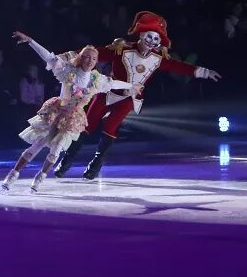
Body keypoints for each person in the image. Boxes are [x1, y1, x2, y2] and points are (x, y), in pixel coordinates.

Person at [54, 12, 220, 180]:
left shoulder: (158, 58)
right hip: (109, 91)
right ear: (141, 35)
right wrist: (66, 57)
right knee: (86, 126)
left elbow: (177, 66)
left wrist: (204, 72)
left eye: (156, 39)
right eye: (149, 37)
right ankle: (66, 161)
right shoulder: (122, 49)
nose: (152, 42)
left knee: (110, 126)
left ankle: (96, 164)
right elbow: (94, 53)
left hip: (129, 99)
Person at [1, 32, 132, 193]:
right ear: (80, 58)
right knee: (37, 145)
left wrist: (132, 87)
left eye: (93, 58)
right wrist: (30, 41)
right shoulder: (67, 70)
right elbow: (49, 57)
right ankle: (13, 175)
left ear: (96, 61)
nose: (89, 60)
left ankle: (39, 178)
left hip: (72, 117)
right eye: (86, 57)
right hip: (57, 111)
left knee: (55, 151)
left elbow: (113, 83)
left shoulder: (96, 80)